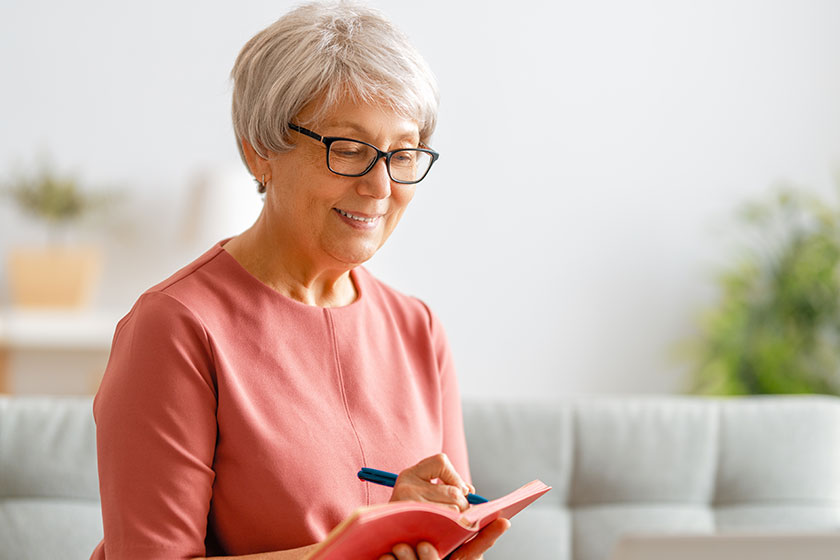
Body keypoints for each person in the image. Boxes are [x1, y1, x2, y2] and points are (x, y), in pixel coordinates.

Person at [90, 2, 509, 559]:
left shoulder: (418, 328)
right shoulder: (175, 327)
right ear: (260, 151)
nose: (381, 186)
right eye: (351, 149)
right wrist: (355, 549)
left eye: (402, 153)